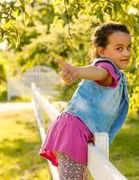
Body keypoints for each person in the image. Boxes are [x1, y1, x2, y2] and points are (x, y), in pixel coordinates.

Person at [39, 23, 132, 179]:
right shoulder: (107, 69)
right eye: (119, 48)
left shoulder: (117, 75)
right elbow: (98, 72)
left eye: (129, 47)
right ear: (102, 52)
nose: (126, 53)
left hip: (74, 130)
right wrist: (78, 71)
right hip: (73, 133)